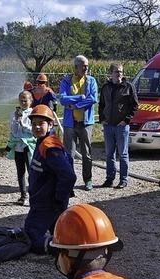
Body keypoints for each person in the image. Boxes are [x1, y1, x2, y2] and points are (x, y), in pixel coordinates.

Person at [23, 105, 76, 254]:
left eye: (41, 123)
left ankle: (57, 250)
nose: (37, 127)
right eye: (34, 124)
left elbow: (68, 175)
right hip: (45, 200)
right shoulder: (44, 142)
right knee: (60, 232)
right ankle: (66, 248)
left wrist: (59, 198)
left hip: (46, 203)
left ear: (51, 124)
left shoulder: (50, 147)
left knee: (30, 236)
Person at [59, 55, 98, 191]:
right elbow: (63, 99)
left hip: (86, 123)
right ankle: (69, 180)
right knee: (69, 153)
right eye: (83, 65)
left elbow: (93, 98)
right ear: (76, 67)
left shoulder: (91, 81)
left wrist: (76, 105)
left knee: (86, 154)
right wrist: (80, 97)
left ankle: (88, 179)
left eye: (87, 65)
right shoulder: (66, 81)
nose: (86, 67)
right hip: (70, 124)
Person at [99, 63, 138, 189]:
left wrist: (126, 120)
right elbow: (101, 104)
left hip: (121, 126)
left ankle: (123, 180)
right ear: (111, 73)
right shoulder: (106, 87)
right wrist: (102, 119)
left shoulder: (128, 87)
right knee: (109, 154)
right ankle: (109, 179)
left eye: (120, 71)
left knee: (123, 154)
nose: (119, 74)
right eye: (116, 72)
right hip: (108, 125)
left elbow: (135, 105)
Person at [5, 91, 36, 206]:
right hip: (18, 146)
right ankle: (23, 195)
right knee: (20, 172)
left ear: (30, 101)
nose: (23, 102)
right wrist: (16, 122)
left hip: (29, 145)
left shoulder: (33, 113)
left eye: (25, 100)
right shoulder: (14, 114)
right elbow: (13, 131)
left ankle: (34, 195)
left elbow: (33, 130)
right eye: (21, 100)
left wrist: (23, 123)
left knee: (31, 171)